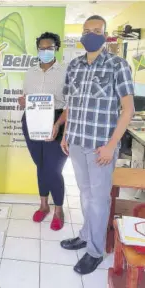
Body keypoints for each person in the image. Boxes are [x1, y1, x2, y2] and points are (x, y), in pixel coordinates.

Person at [60, 15, 135, 275]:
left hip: (101, 146)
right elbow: (71, 103)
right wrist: (65, 134)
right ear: (81, 34)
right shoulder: (75, 65)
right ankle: (85, 234)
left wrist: (112, 145)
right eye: (86, 30)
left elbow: (128, 109)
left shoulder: (118, 65)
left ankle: (94, 251)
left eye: (97, 31)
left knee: (99, 199)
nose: (91, 34)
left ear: (105, 35)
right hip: (78, 143)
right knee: (84, 194)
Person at [18, 32, 68, 231]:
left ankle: (58, 209)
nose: (45, 51)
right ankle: (43, 205)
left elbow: (70, 104)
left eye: (50, 48)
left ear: (57, 48)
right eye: (42, 48)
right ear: (37, 49)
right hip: (32, 120)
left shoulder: (65, 72)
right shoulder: (30, 72)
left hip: (56, 120)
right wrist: (23, 101)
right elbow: (27, 97)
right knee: (40, 164)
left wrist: (58, 124)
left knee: (53, 168)